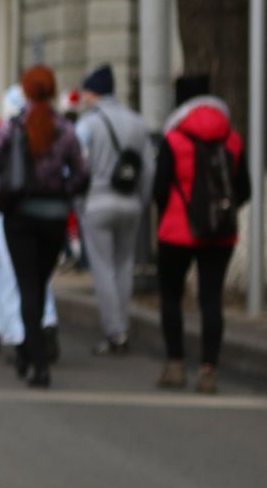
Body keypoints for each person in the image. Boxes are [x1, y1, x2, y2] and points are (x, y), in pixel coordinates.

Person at [0, 66, 88, 388]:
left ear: (25, 92)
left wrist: (6, 186)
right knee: (40, 284)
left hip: (20, 217)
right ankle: (31, 351)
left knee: (26, 284)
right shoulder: (66, 130)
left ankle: (35, 360)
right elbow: (81, 175)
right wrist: (61, 193)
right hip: (54, 218)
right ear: (53, 92)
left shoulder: (12, 128)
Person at [154, 83, 250, 393]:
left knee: (171, 295)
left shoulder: (174, 139)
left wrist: (174, 212)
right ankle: (209, 370)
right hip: (220, 233)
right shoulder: (233, 140)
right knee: (212, 300)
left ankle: (175, 364)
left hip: (176, 232)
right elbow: (244, 189)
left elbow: (159, 187)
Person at [73, 64, 150, 356]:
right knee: (124, 266)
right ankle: (123, 325)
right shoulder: (137, 122)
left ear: (93, 93)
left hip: (97, 202)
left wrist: (79, 203)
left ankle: (115, 332)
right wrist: (141, 201)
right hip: (130, 202)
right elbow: (148, 169)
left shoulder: (88, 124)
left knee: (103, 269)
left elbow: (77, 166)